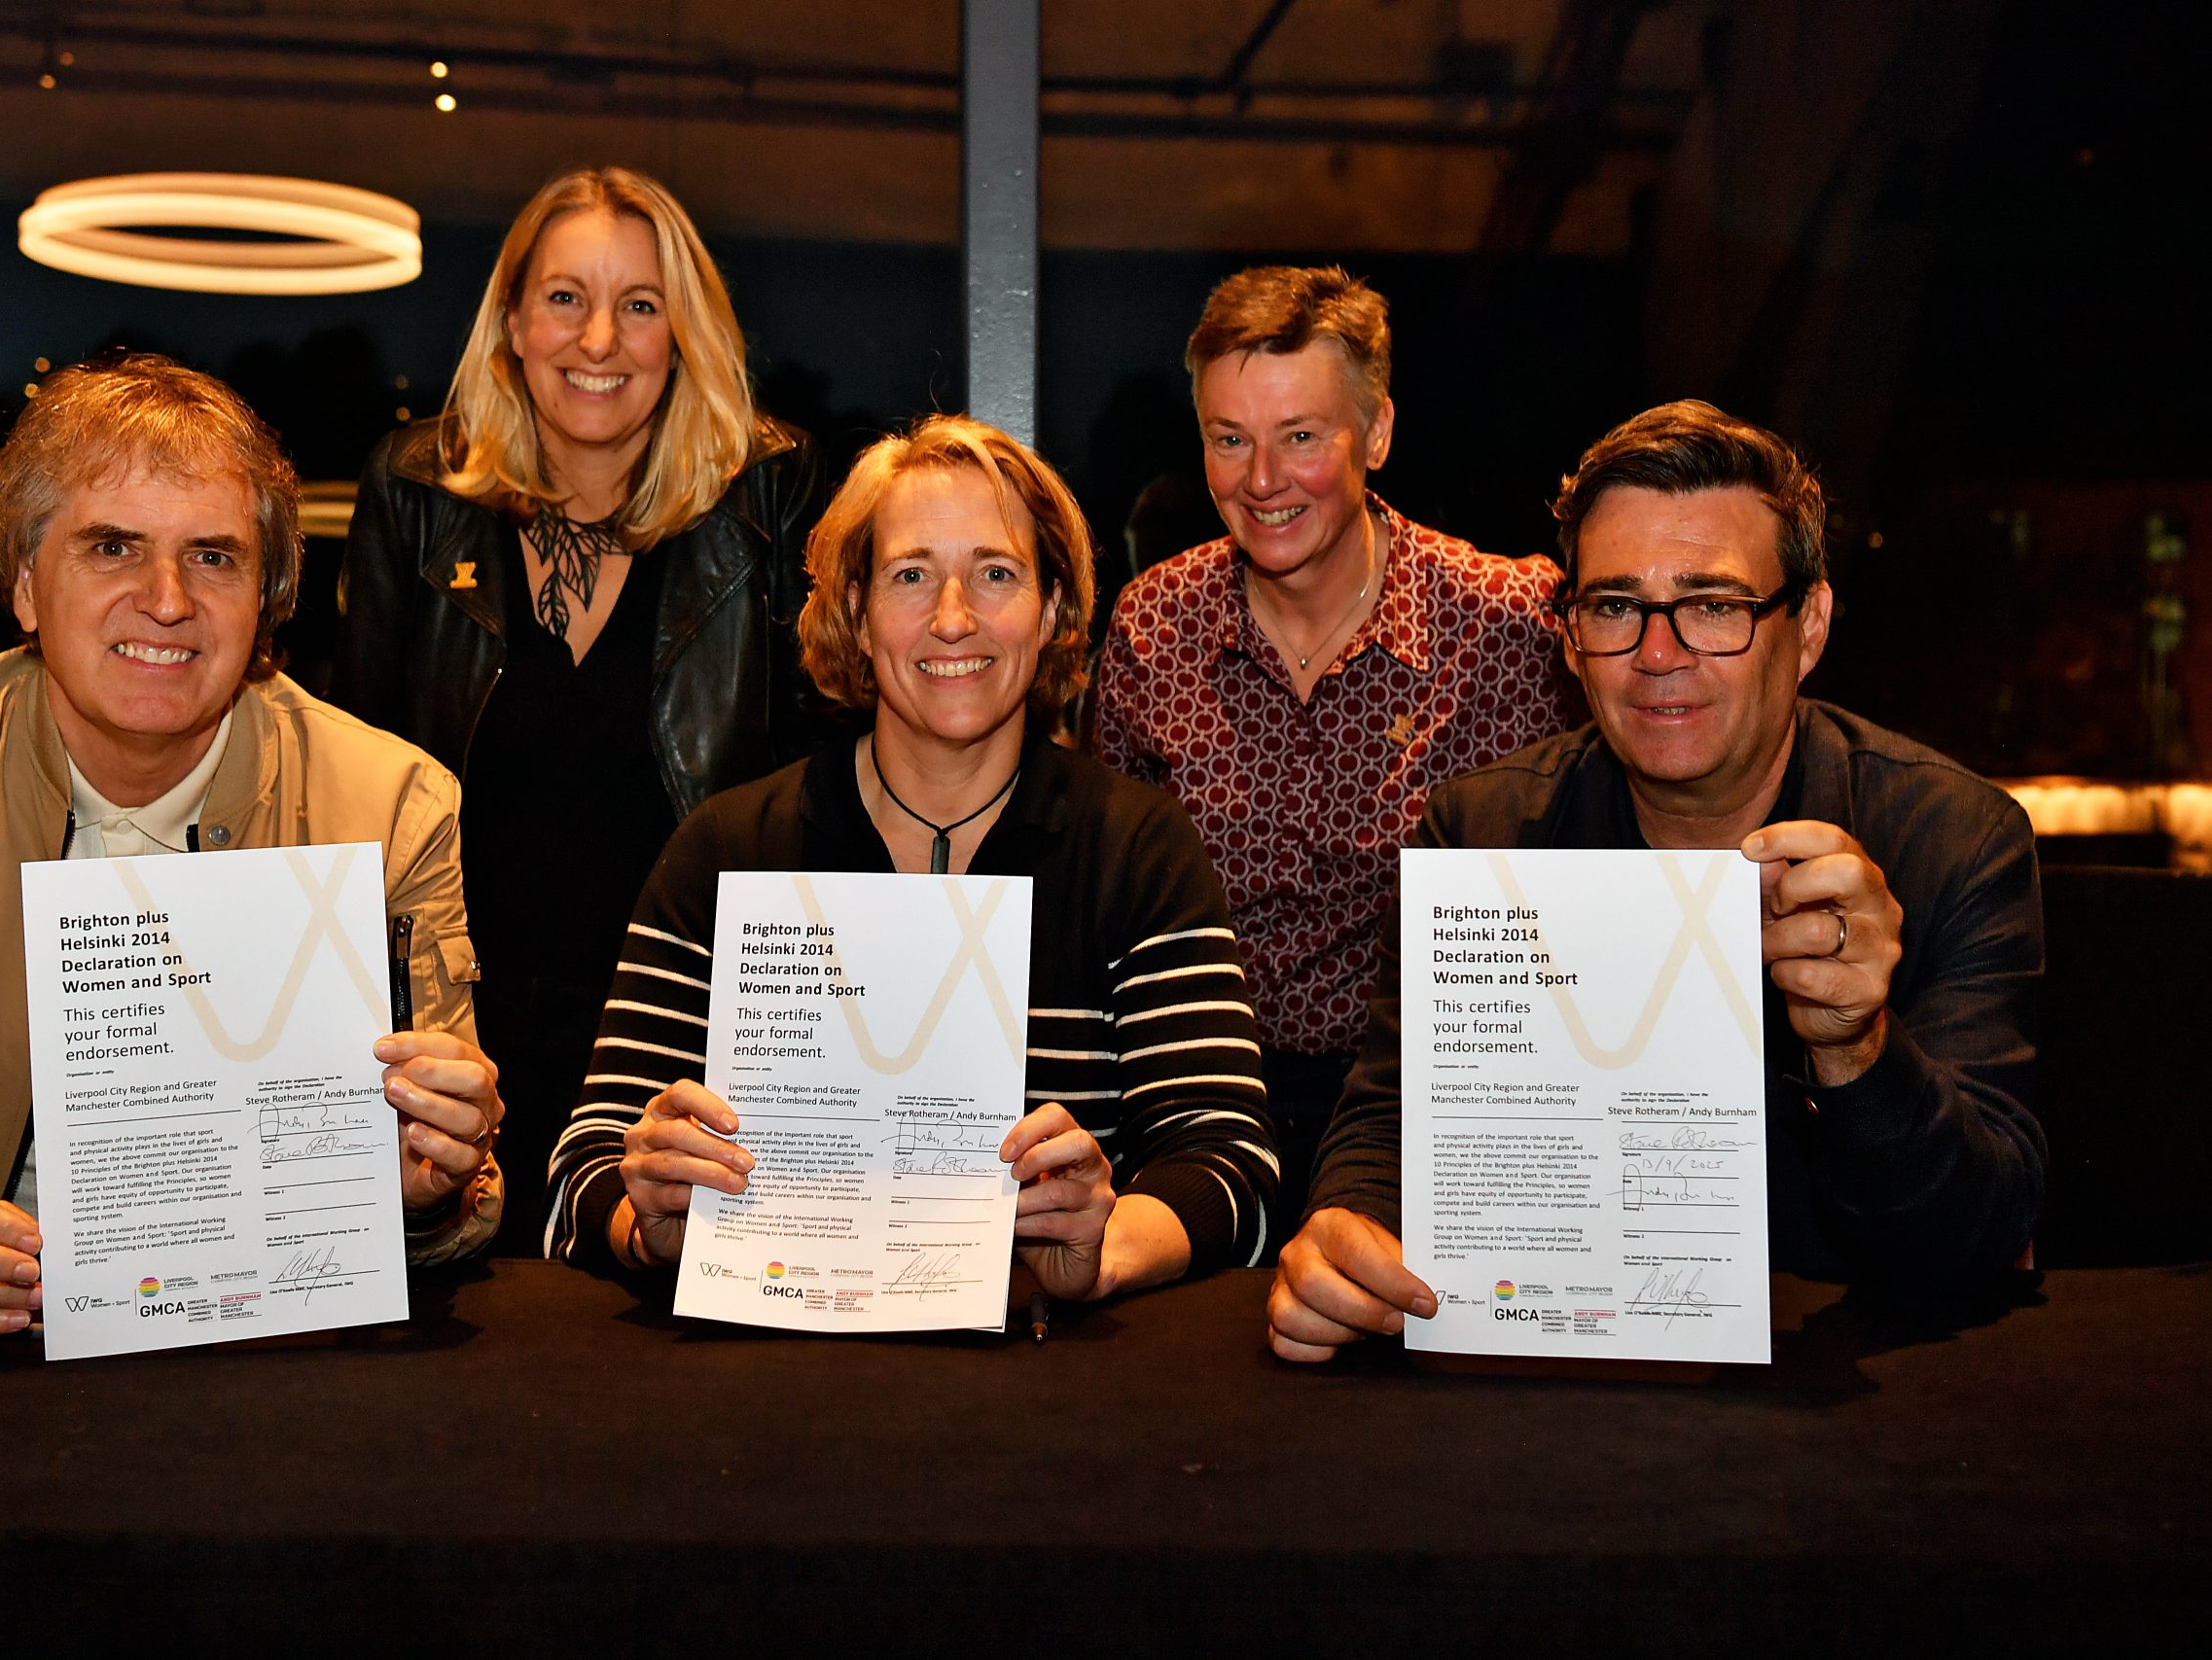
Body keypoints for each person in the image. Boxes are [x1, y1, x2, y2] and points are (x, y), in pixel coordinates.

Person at [0, 355, 504, 1331]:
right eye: (112, 547)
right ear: (25, 587)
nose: (168, 599)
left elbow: (453, 1192)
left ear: (267, 598)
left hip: (267, 1345)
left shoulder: (390, 804)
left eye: (214, 556)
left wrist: (424, 1193)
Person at [1267, 401, 2047, 1361]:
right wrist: (1344, 1228)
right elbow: (1391, 1120)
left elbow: (1976, 1240)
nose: (1657, 655)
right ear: (1568, 637)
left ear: (1805, 629)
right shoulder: (1480, 839)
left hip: (1848, 1414)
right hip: (1547, 1387)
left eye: (1714, 606)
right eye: (1614, 607)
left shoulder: (1952, 840)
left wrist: (1857, 1048)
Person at [548, 416, 1279, 1297]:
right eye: (910, 576)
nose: (953, 618)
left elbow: (1232, 1164)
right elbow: (581, 1170)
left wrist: (1099, 1248)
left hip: (1053, 1391)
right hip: (761, 1384)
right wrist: (648, 1220)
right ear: (854, 613)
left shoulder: (1136, 849)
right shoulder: (729, 852)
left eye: (996, 573)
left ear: (1051, 610)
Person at [330, 166, 819, 1254]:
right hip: (460, 1061)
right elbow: (350, 797)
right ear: (510, 321)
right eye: (565, 298)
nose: (599, 339)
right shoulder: (414, 493)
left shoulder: (769, 497)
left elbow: (814, 797)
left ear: (681, 332)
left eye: (639, 305)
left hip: (692, 1068)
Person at [1092, 265, 1572, 1230]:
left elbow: (1574, 904)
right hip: (1197, 1121)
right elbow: (1109, 904)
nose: (1261, 481)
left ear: (1378, 434)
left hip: (1434, 1128)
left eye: (1300, 437)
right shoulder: (1154, 626)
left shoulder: (1506, 625)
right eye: (1230, 440)